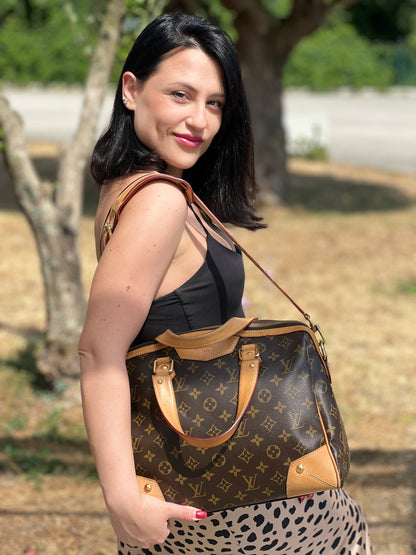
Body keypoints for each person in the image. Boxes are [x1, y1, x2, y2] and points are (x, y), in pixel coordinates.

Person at [79, 13, 373, 554]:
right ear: (131, 90)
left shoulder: (130, 186)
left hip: (196, 475)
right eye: (181, 95)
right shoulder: (159, 200)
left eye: (215, 103)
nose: (200, 120)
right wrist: (121, 499)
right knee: (348, 530)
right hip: (237, 499)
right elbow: (99, 352)